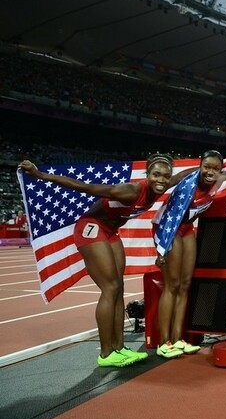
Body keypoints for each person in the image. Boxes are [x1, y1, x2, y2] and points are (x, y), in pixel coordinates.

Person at [17, 154, 176, 368]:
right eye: (156, 175)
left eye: (166, 176)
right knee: (110, 287)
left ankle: (120, 348)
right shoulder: (129, 191)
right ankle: (105, 353)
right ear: (147, 175)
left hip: (110, 231)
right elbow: (84, 186)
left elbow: (183, 176)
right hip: (91, 228)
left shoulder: (161, 187)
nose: (161, 180)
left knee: (119, 287)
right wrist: (40, 175)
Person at [153, 150, 224, 359]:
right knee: (172, 285)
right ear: (200, 165)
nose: (210, 171)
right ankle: (163, 342)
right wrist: (162, 249)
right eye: (207, 167)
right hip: (170, 228)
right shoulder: (188, 183)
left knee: (185, 285)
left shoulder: (218, 182)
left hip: (187, 229)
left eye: (215, 168)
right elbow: (170, 214)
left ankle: (178, 339)